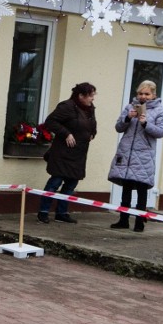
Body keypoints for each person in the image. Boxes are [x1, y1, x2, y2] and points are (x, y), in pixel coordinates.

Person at [107, 80, 163, 232]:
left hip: (144, 155)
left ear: (153, 95)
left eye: (147, 94)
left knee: (142, 190)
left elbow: (161, 132)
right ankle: (123, 220)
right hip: (127, 153)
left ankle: (139, 222)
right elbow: (118, 127)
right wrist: (128, 118)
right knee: (126, 188)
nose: (143, 96)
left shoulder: (159, 110)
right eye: (140, 93)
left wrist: (146, 123)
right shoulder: (129, 107)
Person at [37, 82, 98, 224]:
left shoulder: (90, 109)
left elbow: (92, 125)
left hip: (79, 153)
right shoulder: (67, 106)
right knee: (55, 182)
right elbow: (50, 122)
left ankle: (61, 213)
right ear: (81, 96)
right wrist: (66, 133)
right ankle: (43, 211)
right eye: (90, 95)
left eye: (93, 95)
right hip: (63, 153)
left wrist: (92, 134)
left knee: (71, 183)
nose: (93, 98)